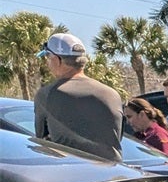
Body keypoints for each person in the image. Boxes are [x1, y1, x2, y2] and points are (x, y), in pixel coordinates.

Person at [33, 32, 122, 161]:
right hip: (115, 173)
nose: (47, 63)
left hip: (73, 174)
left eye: (48, 56)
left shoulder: (47, 94)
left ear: (57, 60)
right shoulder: (111, 94)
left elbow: (41, 140)